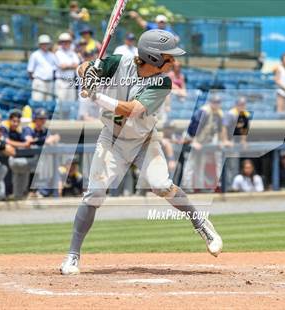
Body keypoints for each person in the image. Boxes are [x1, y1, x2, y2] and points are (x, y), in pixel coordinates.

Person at [60, 29, 222, 275]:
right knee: (93, 194)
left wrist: (96, 95)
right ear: (155, 57)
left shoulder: (163, 82)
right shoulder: (118, 62)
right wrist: (87, 72)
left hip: (144, 140)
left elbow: (132, 110)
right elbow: (84, 66)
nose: (174, 62)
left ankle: (200, 222)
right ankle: (73, 255)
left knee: (162, 185)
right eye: (169, 57)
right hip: (111, 139)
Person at [181, 94, 225, 191]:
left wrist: (221, 141)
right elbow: (192, 129)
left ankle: (198, 187)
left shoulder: (219, 113)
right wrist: (194, 142)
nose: (216, 104)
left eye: (218, 102)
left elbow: (220, 130)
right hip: (190, 138)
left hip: (203, 141)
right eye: (214, 102)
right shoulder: (203, 112)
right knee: (190, 163)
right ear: (210, 103)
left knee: (200, 163)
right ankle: (186, 187)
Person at [2, 109, 33, 199]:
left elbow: (25, 140)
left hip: (9, 156)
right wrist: (23, 144)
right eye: (14, 121)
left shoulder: (19, 129)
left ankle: (17, 193)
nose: (16, 123)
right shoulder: (4, 126)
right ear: (9, 120)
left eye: (18, 121)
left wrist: (28, 141)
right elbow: (6, 140)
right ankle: (6, 194)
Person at [55, 33, 80, 118]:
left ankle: (69, 123)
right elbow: (62, 67)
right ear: (60, 43)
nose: (66, 43)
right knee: (60, 104)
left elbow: (77, 65)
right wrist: (71, 66)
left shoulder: (72, 53)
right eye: (64, 42)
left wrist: (68, 66)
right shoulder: (58, 53)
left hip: (70, 81)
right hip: (61, 81)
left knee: (71, 104)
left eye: (68, 42)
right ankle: (59, 123)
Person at [27, 34, 57, 102]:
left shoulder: (52, 55)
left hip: (50, 82)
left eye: (47, 44)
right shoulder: (35, 55)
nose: (45, 45)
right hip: (39, 81)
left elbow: (55, 70)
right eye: (43, 44)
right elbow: (30, 71)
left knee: (49, 104)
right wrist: (36, 80)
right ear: (39, 45)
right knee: (38, 103)